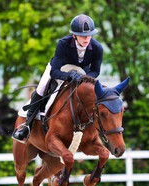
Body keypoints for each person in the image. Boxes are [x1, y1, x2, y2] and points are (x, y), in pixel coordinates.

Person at [13, 14, 103, 142]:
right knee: (42, 88)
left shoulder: (97, 48)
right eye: (83, 35)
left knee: (97, 93)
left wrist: (85, 78)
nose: (87, 38)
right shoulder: (63, 43)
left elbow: (95, 71)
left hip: (82, 73)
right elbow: (54, 71)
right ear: (74, 35)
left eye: (89, 35)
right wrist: (69, 75)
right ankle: (26, 126)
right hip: (59, 69)